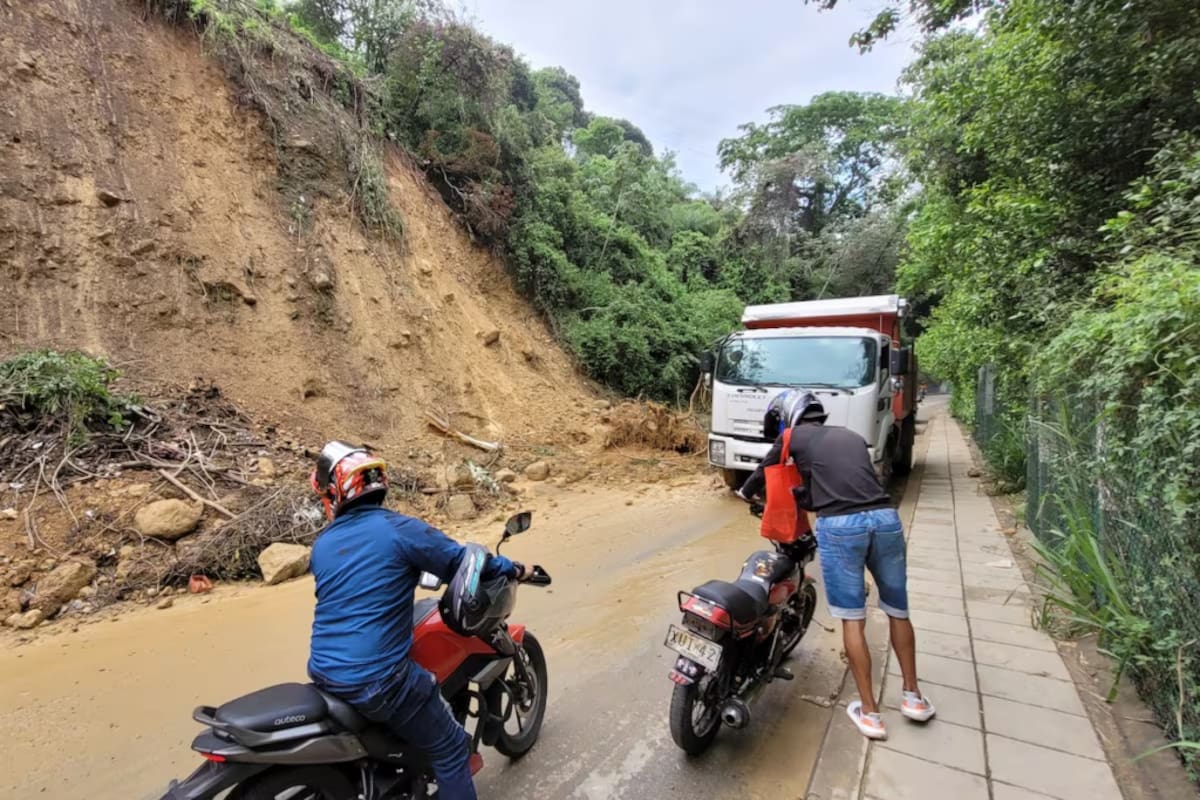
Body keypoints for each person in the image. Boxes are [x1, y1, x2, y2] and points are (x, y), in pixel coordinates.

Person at [306, 441, 529, 800]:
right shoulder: (399, 530)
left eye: (326, 496)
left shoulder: (322, 546)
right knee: (452, 748)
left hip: (324, 673)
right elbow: (467, 560)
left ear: (338, 493)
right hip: (380, 682)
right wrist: (516, 567)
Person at [737, 393, 935, 740]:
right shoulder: (851, 436)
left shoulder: (790, 437)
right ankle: (913, 698)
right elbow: (844, 483)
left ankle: (871, 714)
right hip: (886, 519)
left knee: (852, 619)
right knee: (898, 611)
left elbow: (757, 481)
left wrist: (748, 495)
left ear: (787, 417)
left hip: (841, 527)